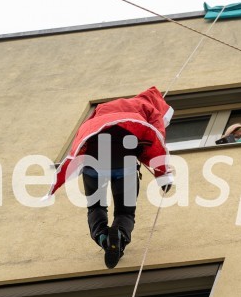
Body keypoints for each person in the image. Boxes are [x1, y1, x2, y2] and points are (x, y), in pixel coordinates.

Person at [48, 86, 174, 268]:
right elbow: (155, 140)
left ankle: (103, 236)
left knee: (96, 207)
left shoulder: (103, 107)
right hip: (124, 163)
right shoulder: (150, 108)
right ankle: (120, 235)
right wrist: (163, 176)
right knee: (124, 211)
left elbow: (85, 133)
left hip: (93, 160)